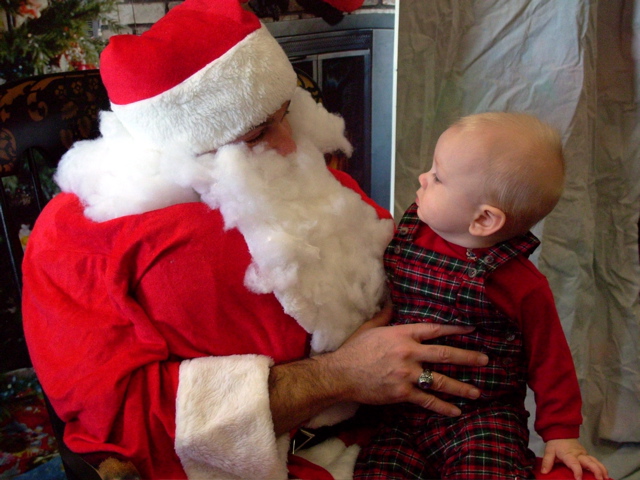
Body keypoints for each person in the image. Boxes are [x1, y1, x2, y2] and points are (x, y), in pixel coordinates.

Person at [20, 0, 489, 479]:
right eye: (256, 133)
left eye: (284, 114)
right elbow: (121, 421)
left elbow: (407, 273)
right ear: (185, 142)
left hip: (394, 433)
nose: (290, 146)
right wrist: (338, 376)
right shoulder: (78, 238)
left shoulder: (301, 168)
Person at [353, 112, 609, 480]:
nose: (423, 178)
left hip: (481, 419)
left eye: (438, 177)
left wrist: (562, 434)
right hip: (401, 407)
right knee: (379, 470)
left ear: (484, 220)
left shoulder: (522, 285)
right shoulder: (405, 236)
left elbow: (551, 361)